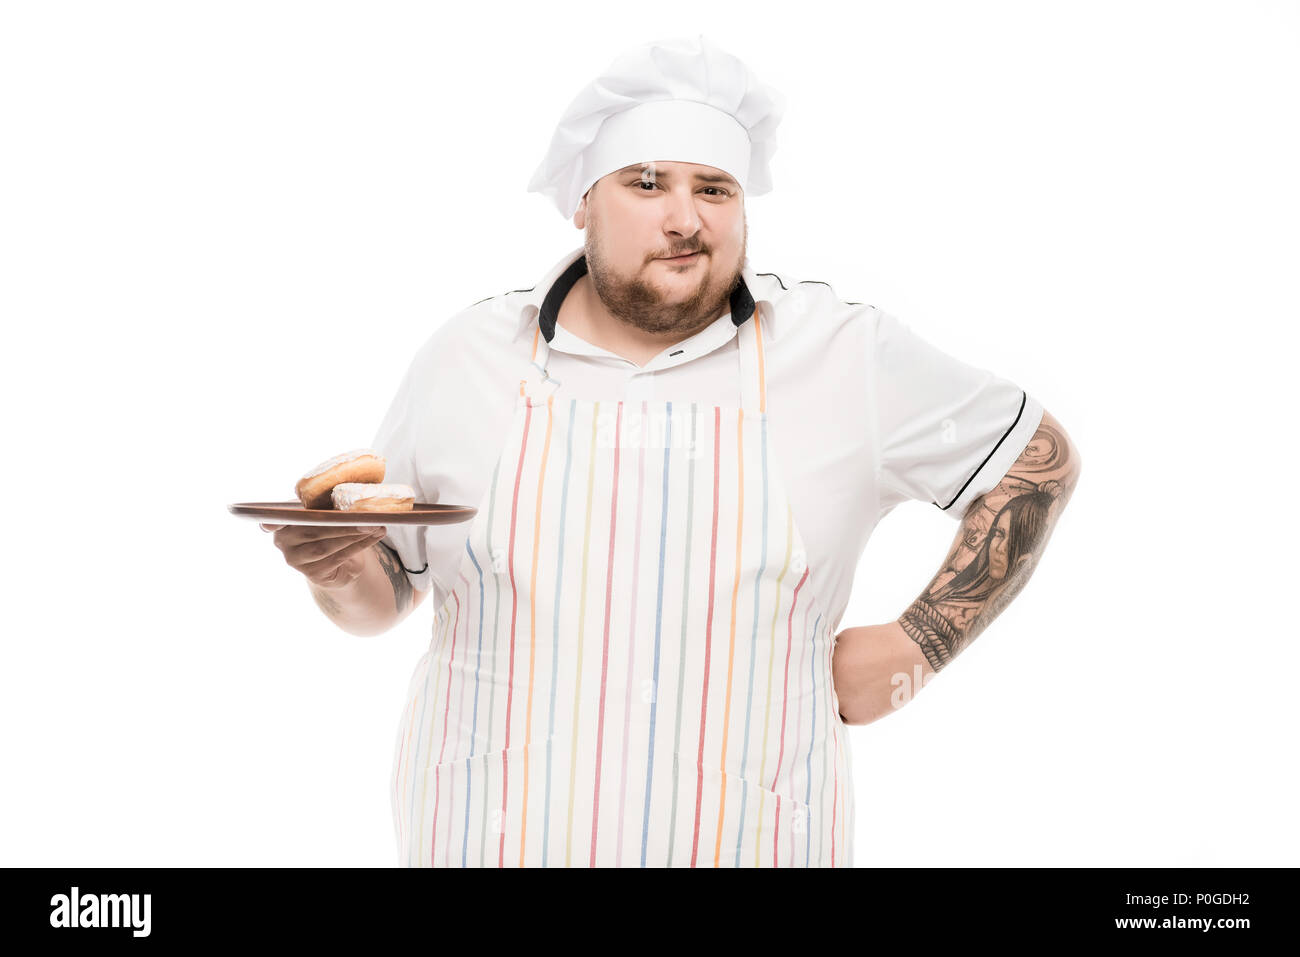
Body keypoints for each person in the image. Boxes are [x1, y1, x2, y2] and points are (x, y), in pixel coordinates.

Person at [262, 35, 1082, 868]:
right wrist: (339, 573)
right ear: (583, 200)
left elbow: (1034, 455)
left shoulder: (841, 356)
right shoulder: (466, 359)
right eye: (647, 182)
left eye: (714, 188)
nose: (685, 218)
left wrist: (919, 646)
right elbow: (387, 594)